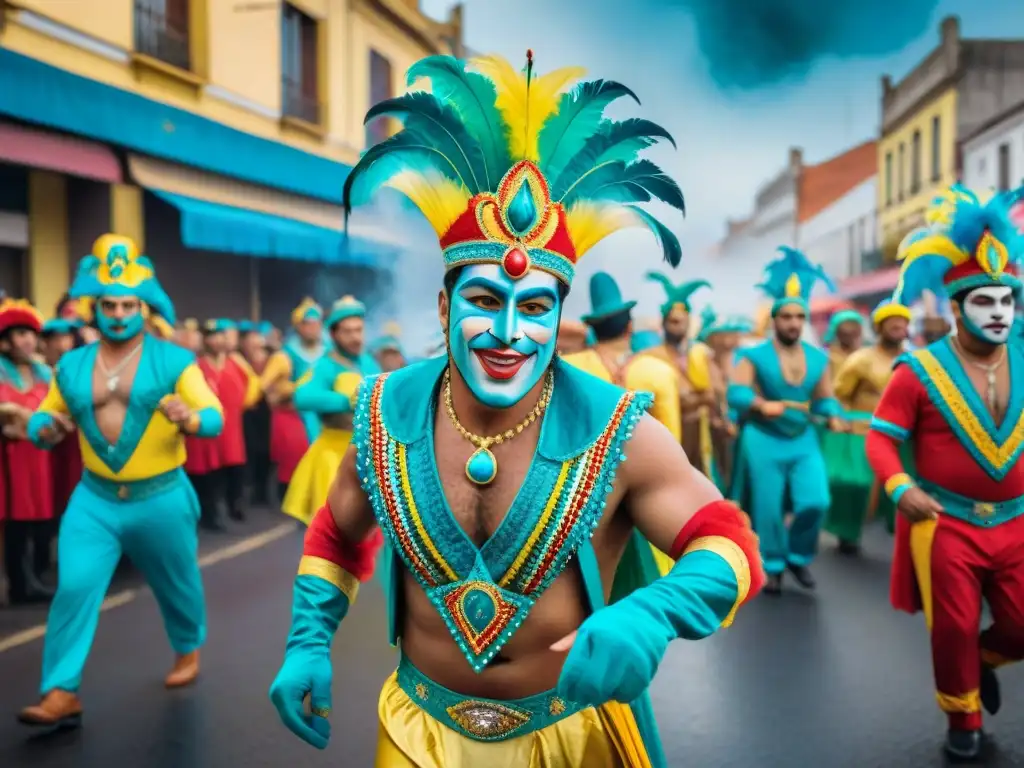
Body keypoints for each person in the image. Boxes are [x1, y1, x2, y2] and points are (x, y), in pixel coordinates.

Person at [269, 51, 763, 767]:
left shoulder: (621, 431)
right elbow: (338, 533)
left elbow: (728, 542)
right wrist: (307, 641)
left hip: (568, 739)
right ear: (444, 306)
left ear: (559, 316)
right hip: (417, 737)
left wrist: (653, 614)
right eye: (483, 301)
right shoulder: (382, 414)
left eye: (533, 307)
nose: (508, 331)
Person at [17, 234, 223, 728]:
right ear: (95, 306)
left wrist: (190, 419)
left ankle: (187, 647)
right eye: (108, 303)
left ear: (142, 305)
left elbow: (214, 414)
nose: (117, 312)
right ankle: (61, 690)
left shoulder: (173, 360)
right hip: (96, 501)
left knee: (178, 585)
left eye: (127, 303)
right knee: (75, 586)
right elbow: (42, 419)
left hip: (162, 497)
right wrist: (43, 428)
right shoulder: (71, 364)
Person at [865, 185, 1024, 760]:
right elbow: (881, 439)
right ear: (956, 307)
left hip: (1018, 524)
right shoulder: (918, 371)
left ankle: (985, 660)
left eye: (1008, 300)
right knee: (952, 627)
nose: (1001, 313)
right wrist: (900, 486)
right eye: (986, 302)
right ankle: (964, 718)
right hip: (948, 522)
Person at [727, 246, 845, 594]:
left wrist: (834, 415)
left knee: (816, 500)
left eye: (799, 317)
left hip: (802, 437)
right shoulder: (754, 354)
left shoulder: (817, 358)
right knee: (768, 506)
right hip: (763, 437)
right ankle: (773, 564)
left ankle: (798, 555)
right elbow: (736, 394)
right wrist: (761, 404)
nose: (793, 323)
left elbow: (825, 399)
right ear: (774, 320)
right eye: (786, 317)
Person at [563, 272, 685, 574]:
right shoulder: (659, 372)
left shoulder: (568, 370)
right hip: (646, 493)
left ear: (592, 329)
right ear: (629, 327)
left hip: (582, 497)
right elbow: (672, 444)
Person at [283, 296, 379, 527]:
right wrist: (346, 401)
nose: (355, 337)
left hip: (368, 457)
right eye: (347, 331)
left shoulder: (368, 362)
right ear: (334, 335)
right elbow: (302, 396)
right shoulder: (326, 365)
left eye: (359, 330)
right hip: (333, 457)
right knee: (335, 533)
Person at [825, 298, 911, 553]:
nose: (898, 327)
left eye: (902, 323)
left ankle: (905, 534)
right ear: (878, 328)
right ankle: (846, 531)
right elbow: (839, 396)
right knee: (858, 484)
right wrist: (839, 422)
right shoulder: (860, 360)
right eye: (891, 323)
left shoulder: (914, 361)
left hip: (902, 433)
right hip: (863, 431)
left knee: (905, 485)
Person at [0, 299, 55, 605]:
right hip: (8, 457)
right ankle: (19, 584)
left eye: (30, 333)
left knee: (39, 517)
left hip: (38, 455)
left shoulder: (45, 373)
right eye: (19, 334)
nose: (27, 340)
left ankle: (34, 576)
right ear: (6, 341)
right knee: (15, 521)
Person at [260, 299, 324, 503]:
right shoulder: (286, 355)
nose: (312, 328)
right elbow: (266, 386)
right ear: (298, 326)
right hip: (293, 413)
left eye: (316, 323)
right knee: (294, 459)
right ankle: (289, 499)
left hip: (322, 412)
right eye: (307, 323)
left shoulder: (328, 351)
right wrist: (289, 389)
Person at [239, 321, 273, 506]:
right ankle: (249, 489)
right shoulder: (240, 360)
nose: (255, 344)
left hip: (265, 409)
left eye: (257, 340)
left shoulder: (271, 360)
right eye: (251, 340)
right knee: (250, 449)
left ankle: (262, 491)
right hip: (247, 410)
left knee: (265, 451)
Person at [822, 308, 865, 375]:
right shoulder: (828, 357)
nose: (849, 333)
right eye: (845, 334)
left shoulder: (865, 355)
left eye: (854, 332)